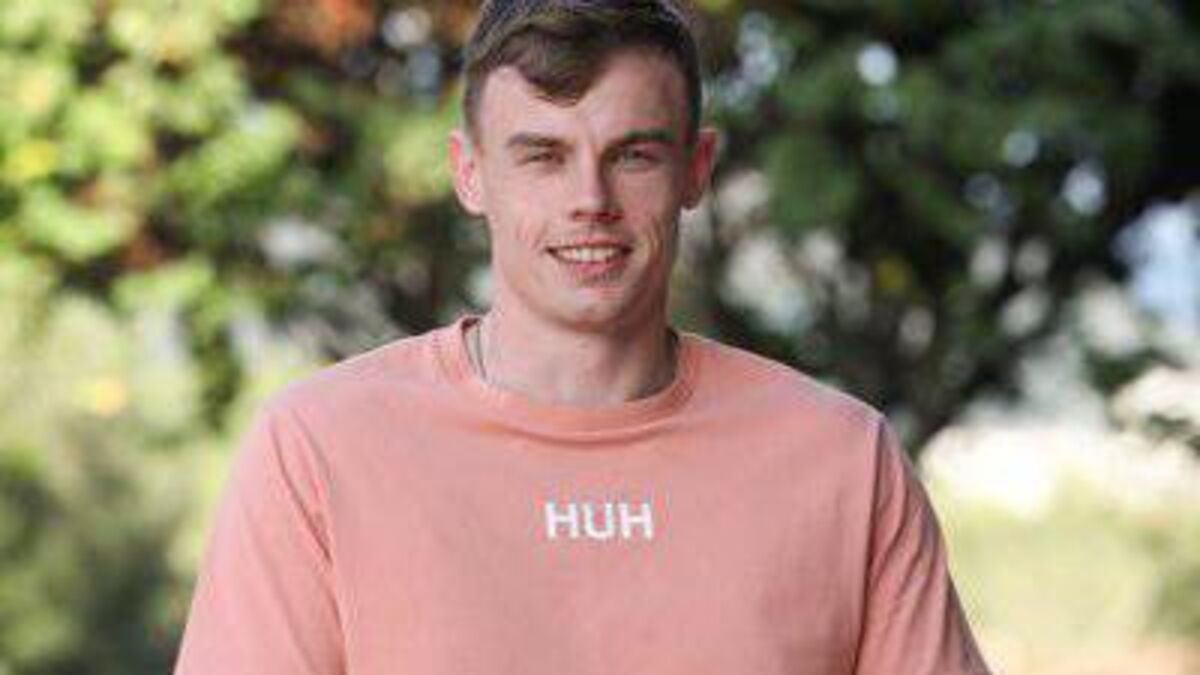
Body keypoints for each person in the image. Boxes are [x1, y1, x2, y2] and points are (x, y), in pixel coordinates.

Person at [173, 1, 992, 673]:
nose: (589, 200)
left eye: (632, 155)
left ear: (696, 168)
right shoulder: (318, 450)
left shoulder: (842, 460)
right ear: (469, 173)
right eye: (543, 156)